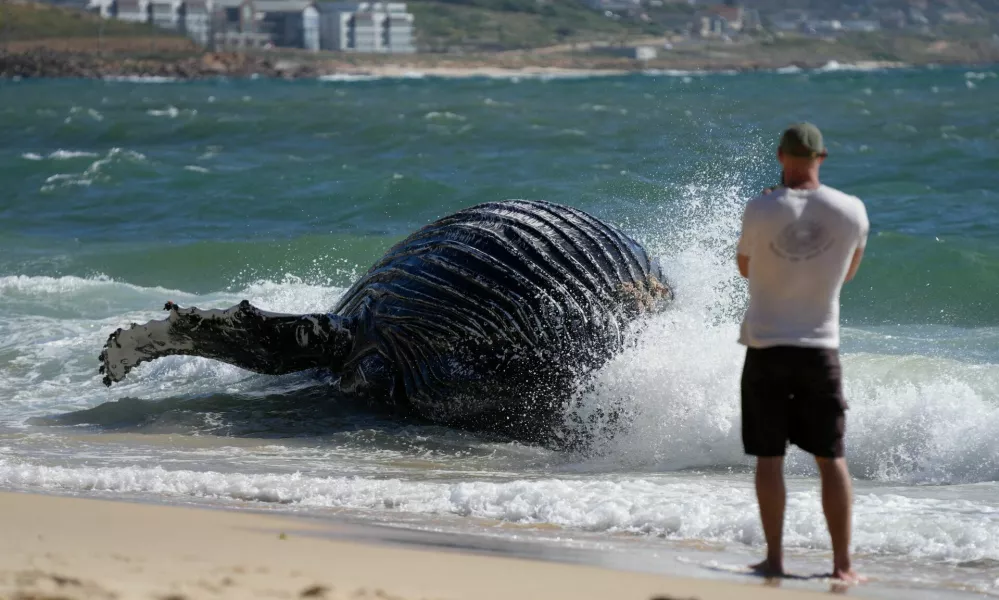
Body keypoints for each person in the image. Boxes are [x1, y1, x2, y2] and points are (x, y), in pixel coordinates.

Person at [735, 123, 869, 583]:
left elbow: (744, 268)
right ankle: (843, 566)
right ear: (822, 158)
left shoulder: (760, 207)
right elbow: (849, 272)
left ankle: (774, 560)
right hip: (819, 350)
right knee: (831, 457)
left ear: (781, 156)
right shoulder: (851, 210)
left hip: (767, 347)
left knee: (769, 458)